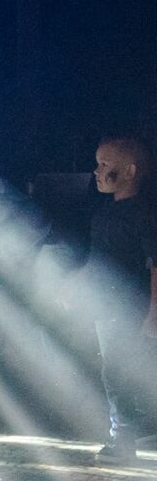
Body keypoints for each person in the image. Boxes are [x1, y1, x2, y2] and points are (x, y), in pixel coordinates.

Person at [86, 134, 157, 462]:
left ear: (129, 171)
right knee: (114, 371)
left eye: (105, 165)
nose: (97, 172)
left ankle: (123, 440)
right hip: (105, 306)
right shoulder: (105, 213)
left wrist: (153, 311)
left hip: (129, 307)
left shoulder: (143, 214)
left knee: (118, 372)